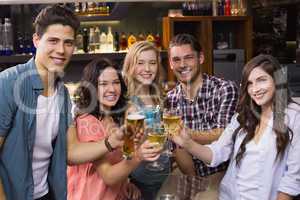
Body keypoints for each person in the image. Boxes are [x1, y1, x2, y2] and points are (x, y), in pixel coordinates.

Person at [0, 5, 121, 200]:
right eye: (53, 41)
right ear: (36, 40)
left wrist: (111, 142)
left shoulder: (62, 94)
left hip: (46, 194)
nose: (61, 50)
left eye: (68, 42)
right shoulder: (8, 83)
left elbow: (71, 152)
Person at [172, 54, 300, 200]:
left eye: (261, 80)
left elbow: (292, 179)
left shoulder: (292, 116)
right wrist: (187, 143)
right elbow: (216, 153)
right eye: (250, 83)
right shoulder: (243, 117)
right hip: (230, 196)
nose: (255, 89)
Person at [67, 58, 162, 200]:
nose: (112, 89)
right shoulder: (87, 122)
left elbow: (115, 165)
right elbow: (109, 176)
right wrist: (139, 156)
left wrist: (125, 184)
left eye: (116, 82)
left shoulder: (112, 118)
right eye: (103, 84)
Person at [166, 33, 238, 197]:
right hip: (186, 170)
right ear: (170, 63)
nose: (182, 64)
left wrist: (186, 136)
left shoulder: (224, 89)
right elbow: (177, 147)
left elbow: (223, 135)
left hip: (218, 170)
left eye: (188, 57)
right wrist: (192, 181)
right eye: (176, 60)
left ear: (201, 58)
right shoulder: (170, 99)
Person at [122, 41, 170, 200]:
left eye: (152, 63)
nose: (148, 69)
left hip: (165, 176)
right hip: (142, 182)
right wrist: (126, 181)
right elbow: (125, 149)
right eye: (140, 63)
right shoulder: (128, 103)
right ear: (130, 67)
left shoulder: (159, 98)